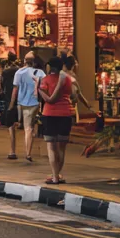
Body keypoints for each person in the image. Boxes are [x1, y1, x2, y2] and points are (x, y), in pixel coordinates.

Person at [38, 56, 74, 184]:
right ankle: (57, 174)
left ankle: (54, 177)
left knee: (51, 147)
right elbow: (71, 94)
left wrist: (39, 89)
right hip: (65, 113)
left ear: (49, 67)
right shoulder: (68, 79)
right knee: (62, 148)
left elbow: (46, 98)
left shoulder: (45, 80)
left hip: (50, 114)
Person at [11, 51, 45, 163]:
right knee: (30, 126)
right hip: (35, 103)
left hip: (23, 103)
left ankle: (28, 153)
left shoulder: (19, 72)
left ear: (25, 61)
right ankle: (30, 144)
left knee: (27, 128)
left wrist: (12, 104)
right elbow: (45, 86)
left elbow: (15, 89)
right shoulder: (40, 72)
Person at [0, 52, 20, 159]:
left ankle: (12, 150)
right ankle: (28, 151)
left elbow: (1, 87)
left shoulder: (5, 72)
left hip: (9, 100)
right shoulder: (20, 71)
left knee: (11, 127)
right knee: (28, 127)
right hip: (21, 100)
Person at [62, 55, 94, 121]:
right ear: (73, 66)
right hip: (69, 109)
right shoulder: (72, 77)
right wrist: (88, 106)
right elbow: (77, 94)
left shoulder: (60, 74)